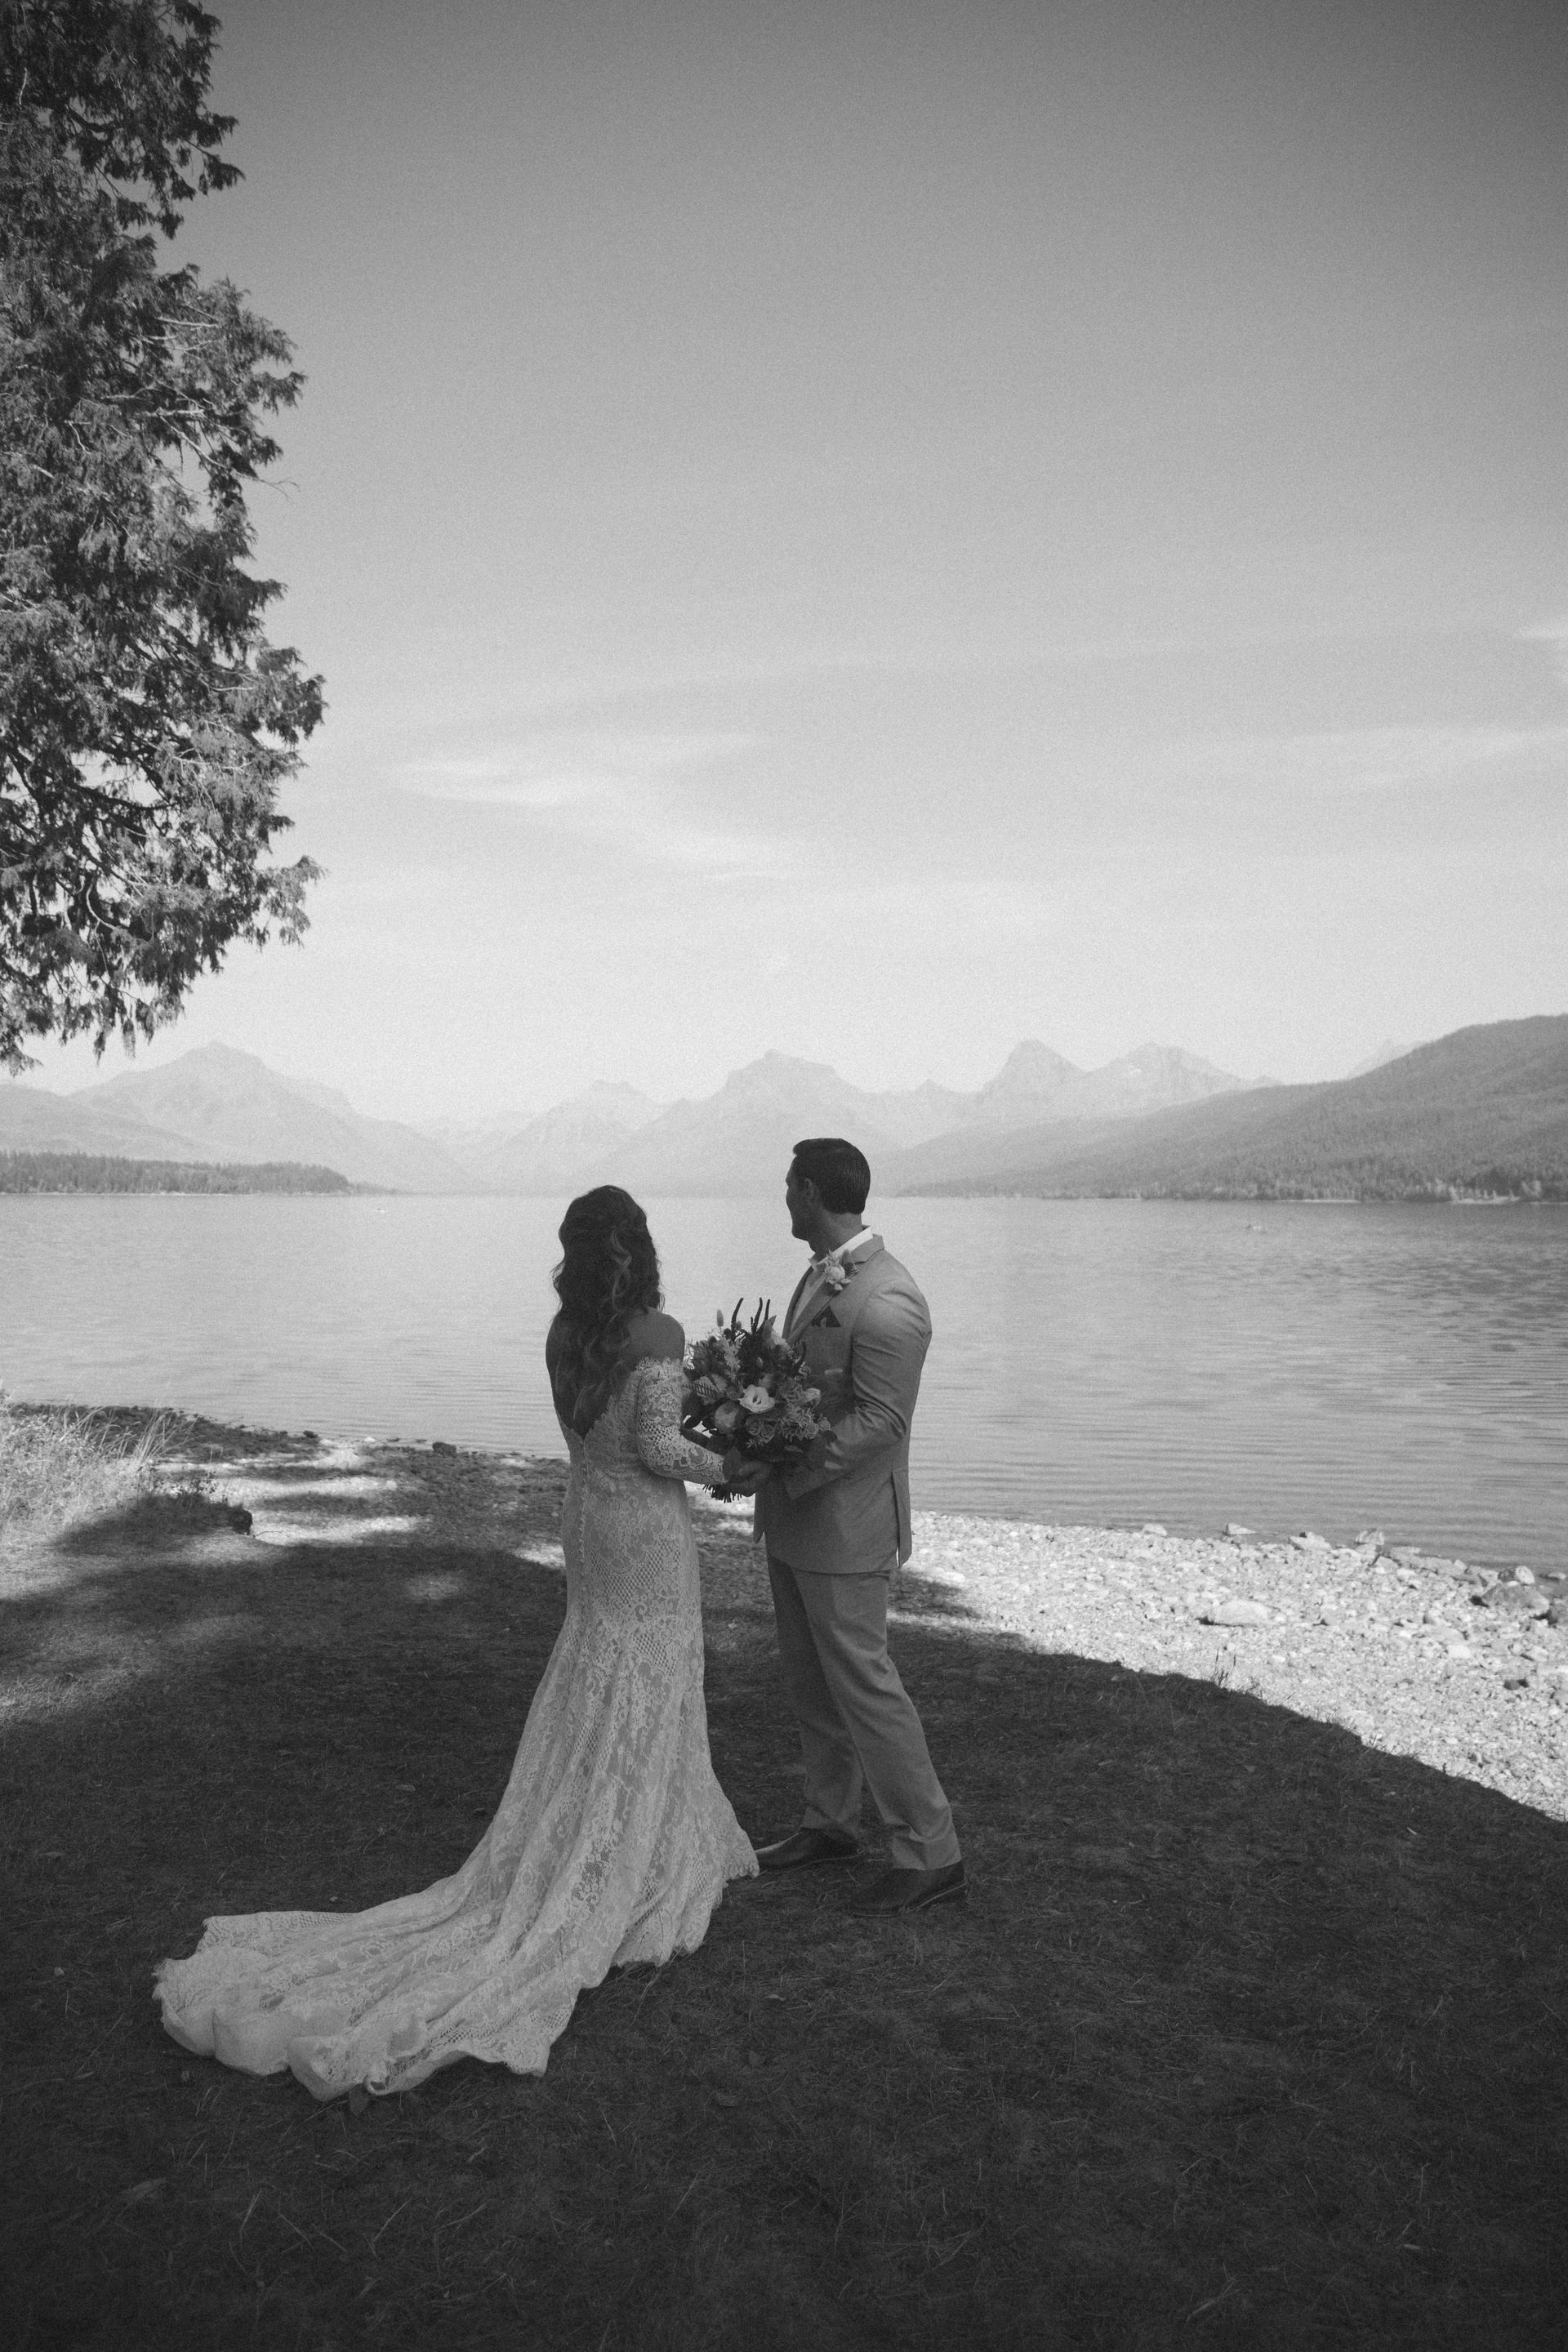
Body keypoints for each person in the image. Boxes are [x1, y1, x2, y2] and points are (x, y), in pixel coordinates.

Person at [155, 1187, 756, 2100]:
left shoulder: (565, 1335)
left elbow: (607, 1440)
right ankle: (633, 1836)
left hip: (587, 1520)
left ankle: (604, 1812)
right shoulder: (659, 1337)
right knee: (648, 1666)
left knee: (600, 1660)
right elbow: (663, 1449)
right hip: (640, 1530)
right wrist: (737, 1466)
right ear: (640, 1248)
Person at [742, 1137, 964, 1913]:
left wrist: (781, 1466)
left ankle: (930, 1849)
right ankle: (829, 1821)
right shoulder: (821, 1276)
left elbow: (880, 1421)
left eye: (788, 1187)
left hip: (847, 1525)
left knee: (867, 1688)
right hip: (799, 1518)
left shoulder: (891, 1299)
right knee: (811, 1684)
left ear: (810, 1192)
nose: (785, 1200)